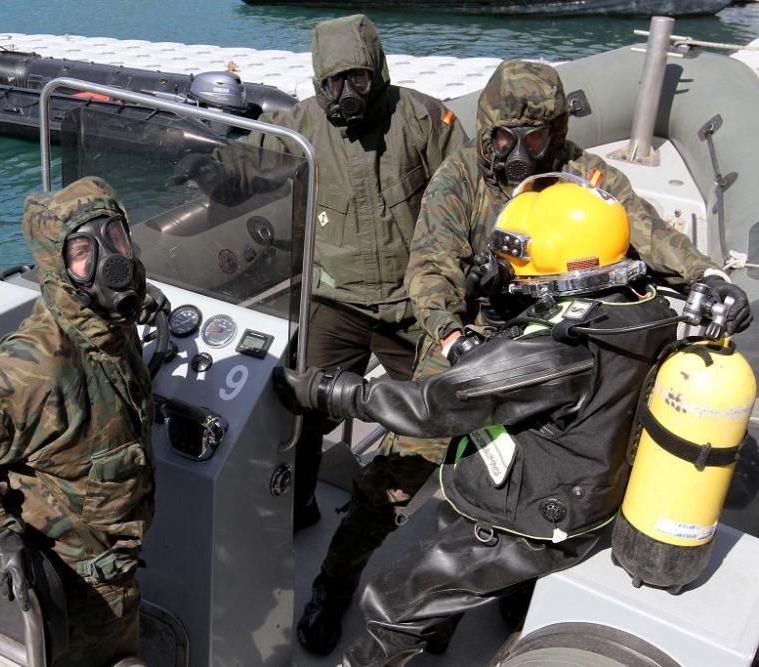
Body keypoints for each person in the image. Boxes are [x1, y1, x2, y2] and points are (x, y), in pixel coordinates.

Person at [275, 175, 751, 666]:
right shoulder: (641, 305)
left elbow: (433, 405)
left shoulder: (562, 348)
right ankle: (443, 632)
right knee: (441, 558)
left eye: (522, 259)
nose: (514, 270)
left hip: (523, 522)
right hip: (580, 491)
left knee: (395, 600)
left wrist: (323, 390)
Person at [173, 15, 466, 654]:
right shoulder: (304, 125)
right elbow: (252, 165)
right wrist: (212, 168)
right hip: (337, 300)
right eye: (335, 83)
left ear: (378, 70)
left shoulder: (423, 120)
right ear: (318, 83)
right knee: (301, 410)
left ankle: (430, 564)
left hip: (414, 302)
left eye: (359, 77)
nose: (349, 94)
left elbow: (465, 192)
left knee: (440, 427)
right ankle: (295, 503)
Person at [0, 176, 168, 667]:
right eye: (82, 252)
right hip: (77, 591)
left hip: (119, 572)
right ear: (58, 269)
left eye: (115, 238)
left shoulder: (109, 323)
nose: (109, 262)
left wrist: (147, 297)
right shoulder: (38, 366)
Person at [406, 59, 751, 361]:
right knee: (428, 427)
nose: (520, 153)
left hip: (572, 324)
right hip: (482, 326)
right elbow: (432, 266)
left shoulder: (582, 174)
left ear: (552, 135)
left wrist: (706, 277)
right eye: (506, 139)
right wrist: (452, 336)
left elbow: (644, 229)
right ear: (488, 134)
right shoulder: (459, 180)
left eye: (535, 139)